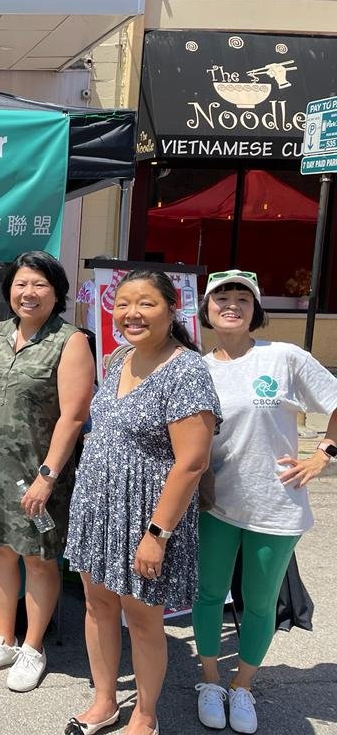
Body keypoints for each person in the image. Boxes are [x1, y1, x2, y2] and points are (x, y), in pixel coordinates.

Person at [65, 269, 221, 735]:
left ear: (173, 310)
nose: (131, 313)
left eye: (146, 303)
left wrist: (157, 535)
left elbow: (192, 463)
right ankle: (104, 700)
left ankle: (146, 714)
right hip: (97, 507)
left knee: (142, 616)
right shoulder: (117, 360)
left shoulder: (186, 370)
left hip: (148, 517)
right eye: (124, 303)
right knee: (97, 605)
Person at [191, 269, 337, 734]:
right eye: (221, 297)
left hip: (276, 505)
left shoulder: (284, 357)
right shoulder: (196, 366)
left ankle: (244, 685)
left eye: (242, 298)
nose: (231, 305)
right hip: (215, 504)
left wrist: (322, 456)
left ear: (256, 310)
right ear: (206, 308)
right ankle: (210, 681)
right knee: (209, 594)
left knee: (259, 603)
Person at [0, 250, 94, 692]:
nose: (28, 293)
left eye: (39, 285)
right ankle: (4, 640)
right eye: (21, 284)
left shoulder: (70, 342)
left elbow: (73, 416)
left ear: (56, 293)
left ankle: (33, 647)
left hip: (39, 475)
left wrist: (48, 476)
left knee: (39, 558)